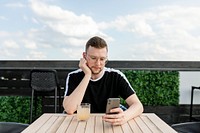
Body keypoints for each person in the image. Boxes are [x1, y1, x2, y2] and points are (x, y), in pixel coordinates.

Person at [63, 36, 143, 125]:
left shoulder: (116, 76)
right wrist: (87, 75)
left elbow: (138, 106)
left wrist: (124, 117)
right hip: (80, 124)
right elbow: (70, 109)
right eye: (93, 58)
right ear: (84, 56)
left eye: (102, 59)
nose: (98, 64)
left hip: (107, 124)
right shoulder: (74, 76)